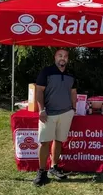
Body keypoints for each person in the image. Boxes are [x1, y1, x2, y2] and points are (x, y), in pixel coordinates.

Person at [33, 49, 77, 186]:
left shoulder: (71, 74)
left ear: (68, 59)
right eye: (60, 56)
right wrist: (41, 110)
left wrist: (73, 109)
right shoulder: (46, 71)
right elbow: (38, 91)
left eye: (65, 56)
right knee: (45, 142)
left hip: (66, 113)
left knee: (58, 141)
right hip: (48, 114)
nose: (62, 58)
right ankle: (41, 172)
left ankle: (54, 167)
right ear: (55, 57)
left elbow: (73, 92)